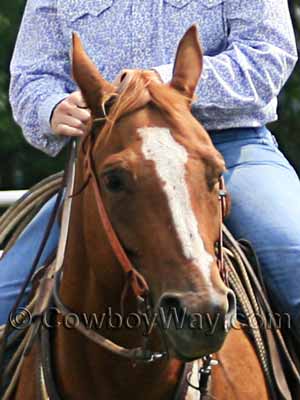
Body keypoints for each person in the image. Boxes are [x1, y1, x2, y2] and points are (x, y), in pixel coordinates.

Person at [2, 0, 299, 346]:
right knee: (4, 300)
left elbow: (266, 55)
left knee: (293, 257)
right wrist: (51, 107)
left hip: (225, 150)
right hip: (109, 167)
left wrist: (157, 86)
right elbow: (31, 76)